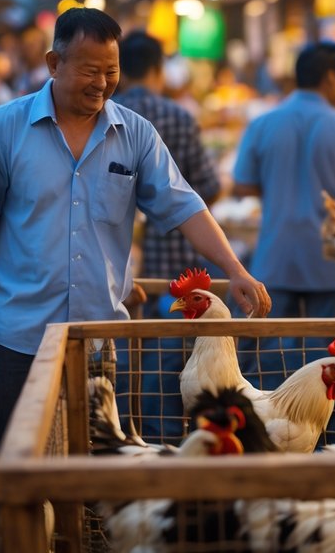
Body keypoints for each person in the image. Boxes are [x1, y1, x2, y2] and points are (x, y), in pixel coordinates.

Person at [0, 7, 271, 553]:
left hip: (101, 331)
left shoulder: (134, 134)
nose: (102, 83)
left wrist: (234, 270)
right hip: (22, 328)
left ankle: (86, 540)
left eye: (111, 71)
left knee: (96, 447)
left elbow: (184, 205)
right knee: (7, 448)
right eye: (89, 70)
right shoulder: (2, 127)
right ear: (54, 62)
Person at [232, 41, 335, 386]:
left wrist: (277, 183)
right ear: (330, 77)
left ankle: (265, 434)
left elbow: (242, 185)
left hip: (274, 256)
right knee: (322, 367)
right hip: (325, 258)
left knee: (268, 362)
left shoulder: (262, 123)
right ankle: (320, 438)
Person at [112, 29, 223, 440]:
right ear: (159, 69)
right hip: (177, 257)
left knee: (124, 356)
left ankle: (127, 434)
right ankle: (168, 439)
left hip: (118, 266)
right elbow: (208, 188)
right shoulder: (179, 116)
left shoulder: (106, 115)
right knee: (174, 357)